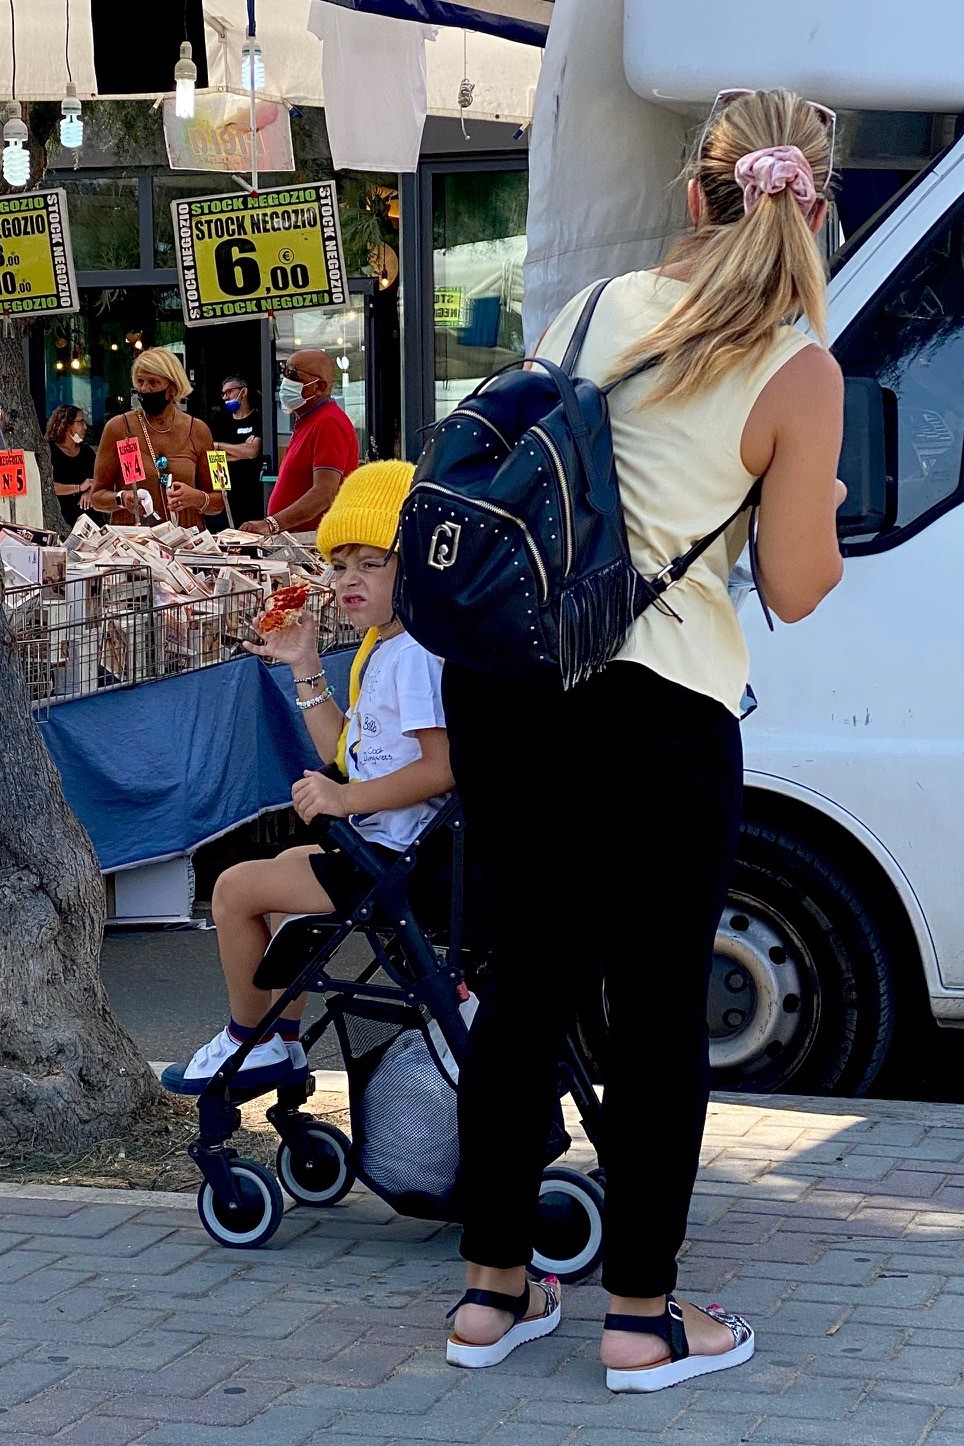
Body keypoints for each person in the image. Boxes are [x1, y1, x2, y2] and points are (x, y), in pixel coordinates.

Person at [441, 89, 846, 1390]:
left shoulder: (589, 309)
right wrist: (816, 495)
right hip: (662, 716)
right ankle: (642, 1319)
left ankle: (491, 1296)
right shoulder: (799, 367)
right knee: (659, 1008)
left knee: (527, 988)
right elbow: (794, 583)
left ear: (695, 193)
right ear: (813, 206)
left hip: (517, 697)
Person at [161, 460, 454, 1094]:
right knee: (287, 875)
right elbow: (349, 750)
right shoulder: (389, 647)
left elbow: (442, 768)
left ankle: (253, 1039)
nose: (348, 580)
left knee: (235, 890)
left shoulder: (414, 658)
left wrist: (345, 798)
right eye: (339, 565)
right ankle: (284, 1041)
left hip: (397, 858)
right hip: (388, 853)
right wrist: (305, 664)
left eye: (370, 564)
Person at [88, 349, 223, 531]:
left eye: (153, 382)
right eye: (140, 382)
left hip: (186, 543)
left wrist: (197, 497)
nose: (144, 389)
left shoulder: (200, 431)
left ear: (173, 388)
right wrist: (121, 498)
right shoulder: (118, 428)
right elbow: (96, 497)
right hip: (135, 545)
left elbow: (220, 501)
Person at [241, 349, 358, 538]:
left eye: (293, 374)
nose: (285, 381)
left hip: (311, 543)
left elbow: (324, 493)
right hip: (296, 539)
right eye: (284, 372)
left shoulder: (329, 422)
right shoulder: (307, 421)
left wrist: (271, 524)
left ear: (319, 387)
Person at [210, 374, 264, 528]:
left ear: (243, 392)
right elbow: (212, 455)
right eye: (223, 394)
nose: (225, 397)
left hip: (250, 489)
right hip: (224, 488)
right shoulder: (219, 421)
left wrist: (219, 445)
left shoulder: (257, 419)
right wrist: (241, 451)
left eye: (229, 392)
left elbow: (253, 451)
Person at [44, 405, 96, 529]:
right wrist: (78, 488)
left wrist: (89, 491)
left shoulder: (87, 452)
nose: (85, 427)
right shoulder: (49, 451)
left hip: (89, 517)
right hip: (62, 516)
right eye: (80, 422)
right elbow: (47, 486)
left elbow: (98, 478)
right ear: (66, 425)